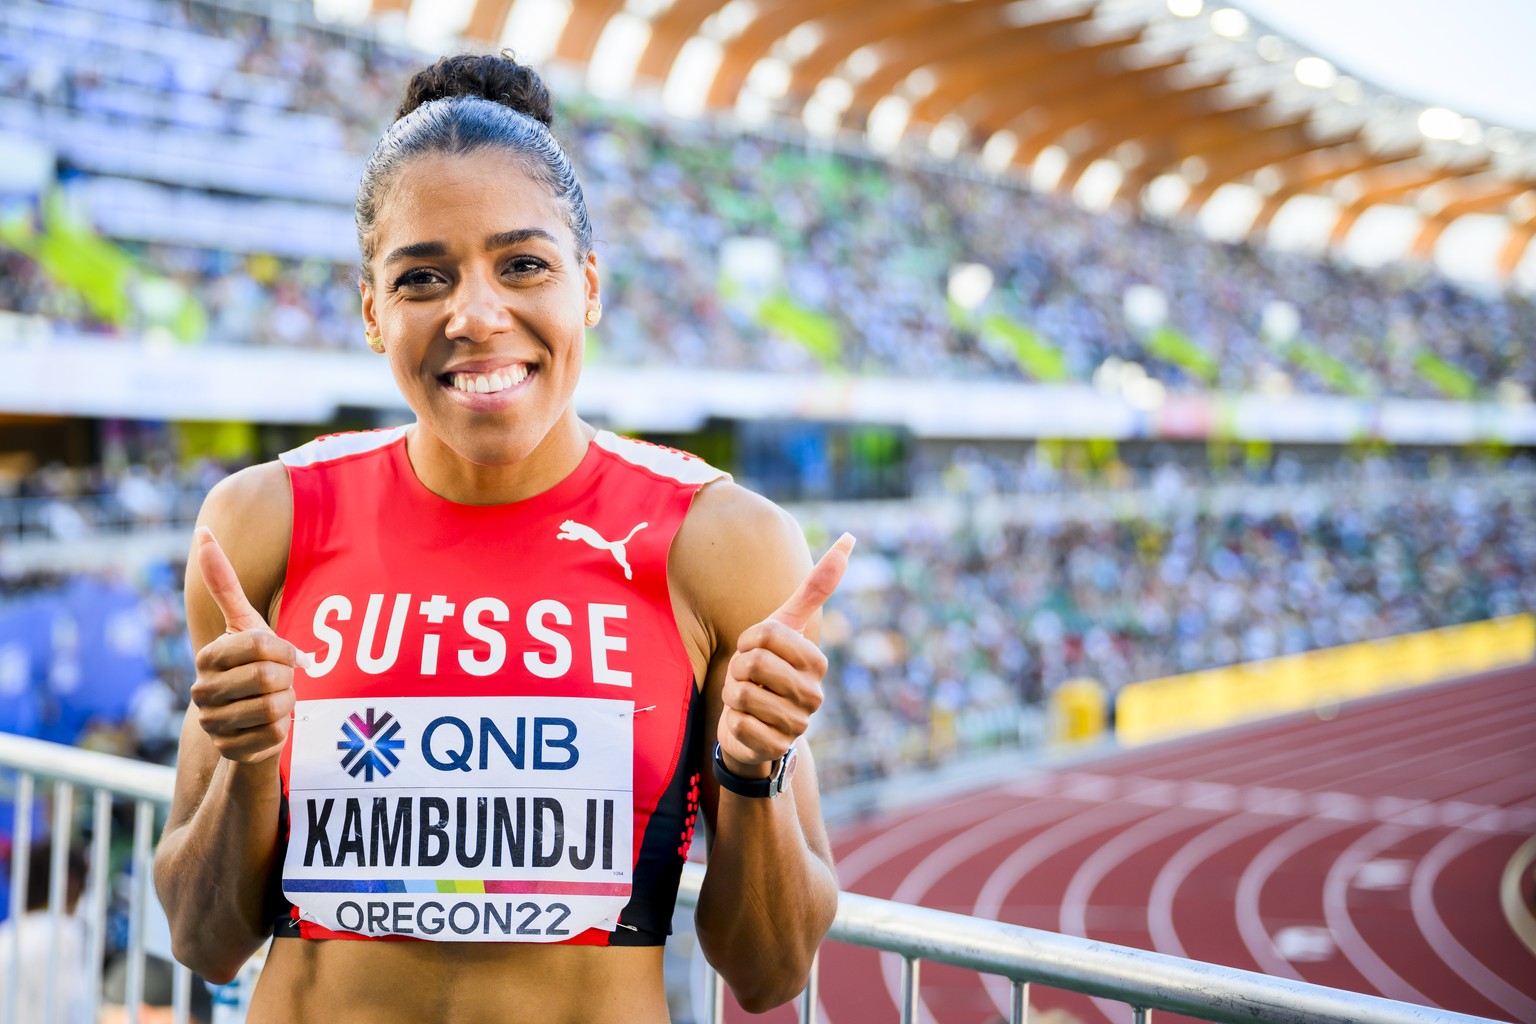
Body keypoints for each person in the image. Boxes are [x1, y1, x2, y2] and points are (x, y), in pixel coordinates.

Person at [152, 51, 850, 1022]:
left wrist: (752, 771)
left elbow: (771, 972)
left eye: (522, 264)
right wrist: (247, 760)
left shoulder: (722, 543)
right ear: (371, 312)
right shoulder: (258, 525)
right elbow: (201, 936)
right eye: (423, 277)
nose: (476, 315)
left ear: (589, 286)